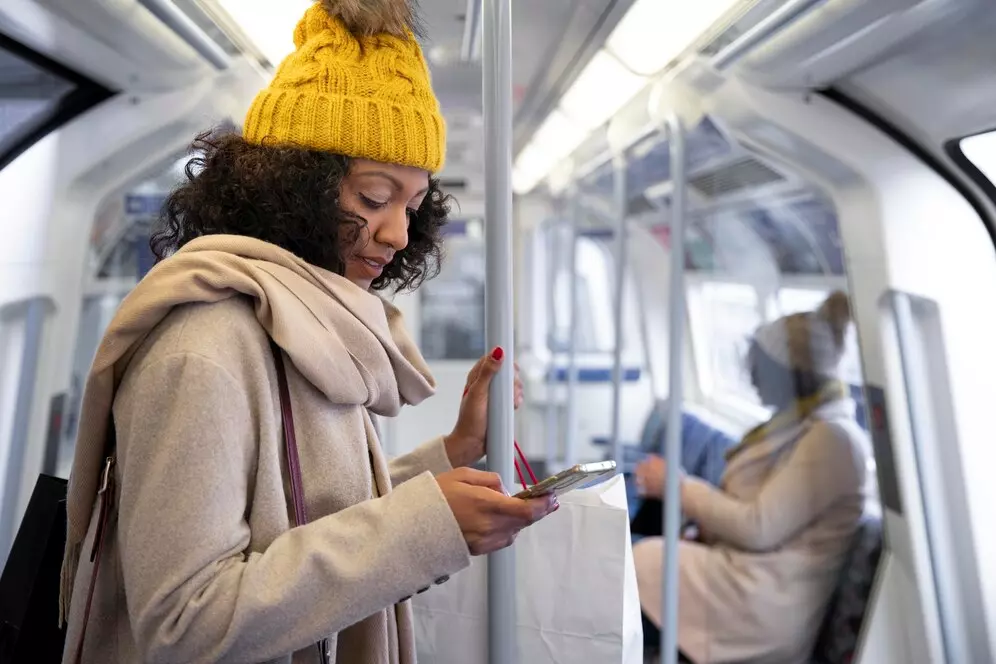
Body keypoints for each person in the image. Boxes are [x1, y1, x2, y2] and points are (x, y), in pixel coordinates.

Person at [58, 2, 557, 662]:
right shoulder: (203, 350)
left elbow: (307, 513)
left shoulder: (311, 326)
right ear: (291, 188)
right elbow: (184, 623)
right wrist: (424, 527)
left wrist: (453, 452)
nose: (399, 233)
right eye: (374, 199)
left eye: (412, 205)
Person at [632, 291, 873, 663]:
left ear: (790, 374)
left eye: (760, 368)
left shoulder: (833, 440)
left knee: (640, 562)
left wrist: (677, 488)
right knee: (636, 564)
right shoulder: (799, 424)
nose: (753, 379)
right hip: (748, 579)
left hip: (765, 605)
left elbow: (758, 527)